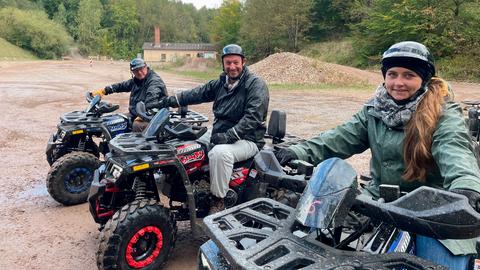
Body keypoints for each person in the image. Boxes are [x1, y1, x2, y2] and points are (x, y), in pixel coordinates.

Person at [275, 41, 480, 269]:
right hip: (380, 203)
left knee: (438, 264)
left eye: (408, 75)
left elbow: (455, 150)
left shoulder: (444, 114)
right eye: (392, 74)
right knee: (321, 249)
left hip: (434, 210)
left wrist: (466, 186)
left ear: (424, 80)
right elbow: (339, 137)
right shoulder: (375, 110)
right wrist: (296, 151)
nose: (398, 83)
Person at [152, 44, 269, 214]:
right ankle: (195, 187)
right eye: (228, 63)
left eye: (235, 62)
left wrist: (229, 136)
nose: (232, 67)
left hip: (248, 139)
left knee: (219, 153)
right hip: (221, 132)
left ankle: (218, 200)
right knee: (190, 147)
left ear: (243, 62)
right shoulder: (222, 82)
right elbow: (197, 93)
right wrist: (168, 101)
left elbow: (253, 118)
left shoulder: (255, 85)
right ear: (223, 64)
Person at [91, 57, 167, 132]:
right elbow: (122, 86)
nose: (139, 72)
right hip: (137, 113)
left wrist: (145, 114)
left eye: (141, 69)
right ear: (132, 72)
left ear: (146, 67)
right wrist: (104, 91)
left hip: (155, 115)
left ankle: (138, 144)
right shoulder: (137, 80)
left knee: (137, 125)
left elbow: (152, 98)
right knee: (114, 121)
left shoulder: (154, 81)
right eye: (136, 71)